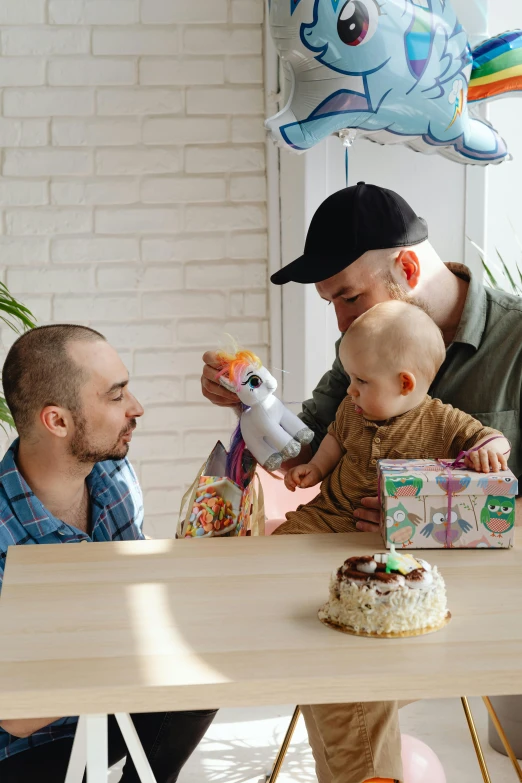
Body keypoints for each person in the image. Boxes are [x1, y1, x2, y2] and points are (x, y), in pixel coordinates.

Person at [200, 182, 522, 783]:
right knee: (325, 654)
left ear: (404, 266)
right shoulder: (364, 350)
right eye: (333, 305)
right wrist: (247, 405)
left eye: (348, 296)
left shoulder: (518, 341)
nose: (344, 319)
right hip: (370, 589)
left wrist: (435, 519)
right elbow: (305, 448)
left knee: (333, 671)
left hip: (485, 604)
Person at [0, 325, 217, 783]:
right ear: (57, 421)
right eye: (116, 396)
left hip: (110, 707)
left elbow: (134, 597)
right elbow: (14, 716)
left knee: (204, 671)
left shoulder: (113, 475)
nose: (136, 408)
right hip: (26, 746)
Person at [280, 300, 509, 535]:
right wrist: (316, 467)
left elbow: (494, 439)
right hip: (328, 515)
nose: (350, 390)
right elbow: (335, 440)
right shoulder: (352, 407)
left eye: (361, 380)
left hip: (401, 527)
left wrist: (486, 452)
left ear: (404, 383)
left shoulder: (442, 421)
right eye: (350, 378)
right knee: (285, 539)